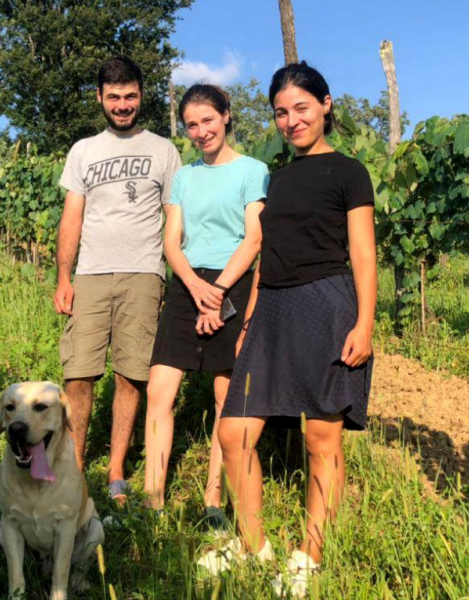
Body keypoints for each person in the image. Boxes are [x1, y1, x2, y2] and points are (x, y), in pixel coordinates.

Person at [198, 62, 377, 598]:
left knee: (321, 436)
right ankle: (256, 550)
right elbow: (266, 252)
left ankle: (308, 558)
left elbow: (364, 254)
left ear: (326, 104)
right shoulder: (276, 177)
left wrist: (365, 323)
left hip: (326, 303)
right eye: (281, 111)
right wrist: (250, 313)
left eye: (302, 107)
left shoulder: (348, 171)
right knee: (234, 433)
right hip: (272, 307)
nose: (291, 120)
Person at [54, 56, 182, 503]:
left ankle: (115, 471)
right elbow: (72, 217)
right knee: (79, 374)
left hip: (144, 273)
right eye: (114, 97)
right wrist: (63, 276)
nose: (123, 105)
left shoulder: (164, 151)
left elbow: (173, 218)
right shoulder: (84, 151)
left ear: (141, 96)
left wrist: (172, 273)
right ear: (100, 98)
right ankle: (71, 470)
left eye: (130, 96)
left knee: (132, 375)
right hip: (89, 273)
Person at [143, 84, 268, 527]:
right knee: (160, 390)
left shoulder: (253, 170)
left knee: (223, 396)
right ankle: (152, 497)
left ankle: (214, 498)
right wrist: (195, 285)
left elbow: (254, 238)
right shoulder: (185, 177)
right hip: (188, 283)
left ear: (227, 116)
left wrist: (218, 291)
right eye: (192, 125)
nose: (200, 132)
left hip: (232, 284)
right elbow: (170, 241)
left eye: (208, 121)